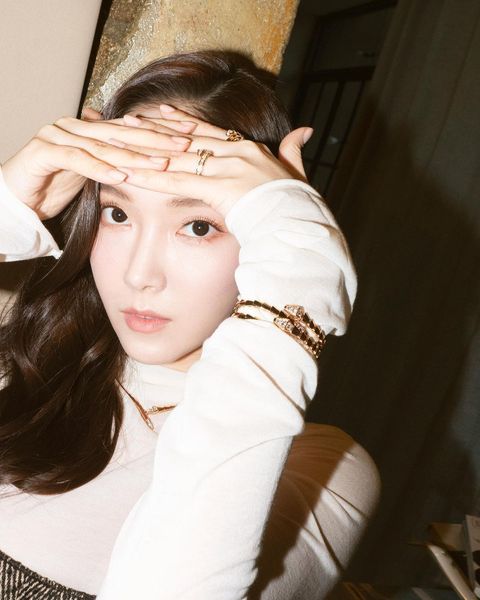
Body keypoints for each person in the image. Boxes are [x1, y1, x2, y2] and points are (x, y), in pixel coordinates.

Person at [0, 50, 380, 599]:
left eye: (198, 225)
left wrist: (300, 273)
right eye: (118, 214)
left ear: (268, 234)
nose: (140, 274)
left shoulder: (327, 471)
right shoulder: (24, 373)